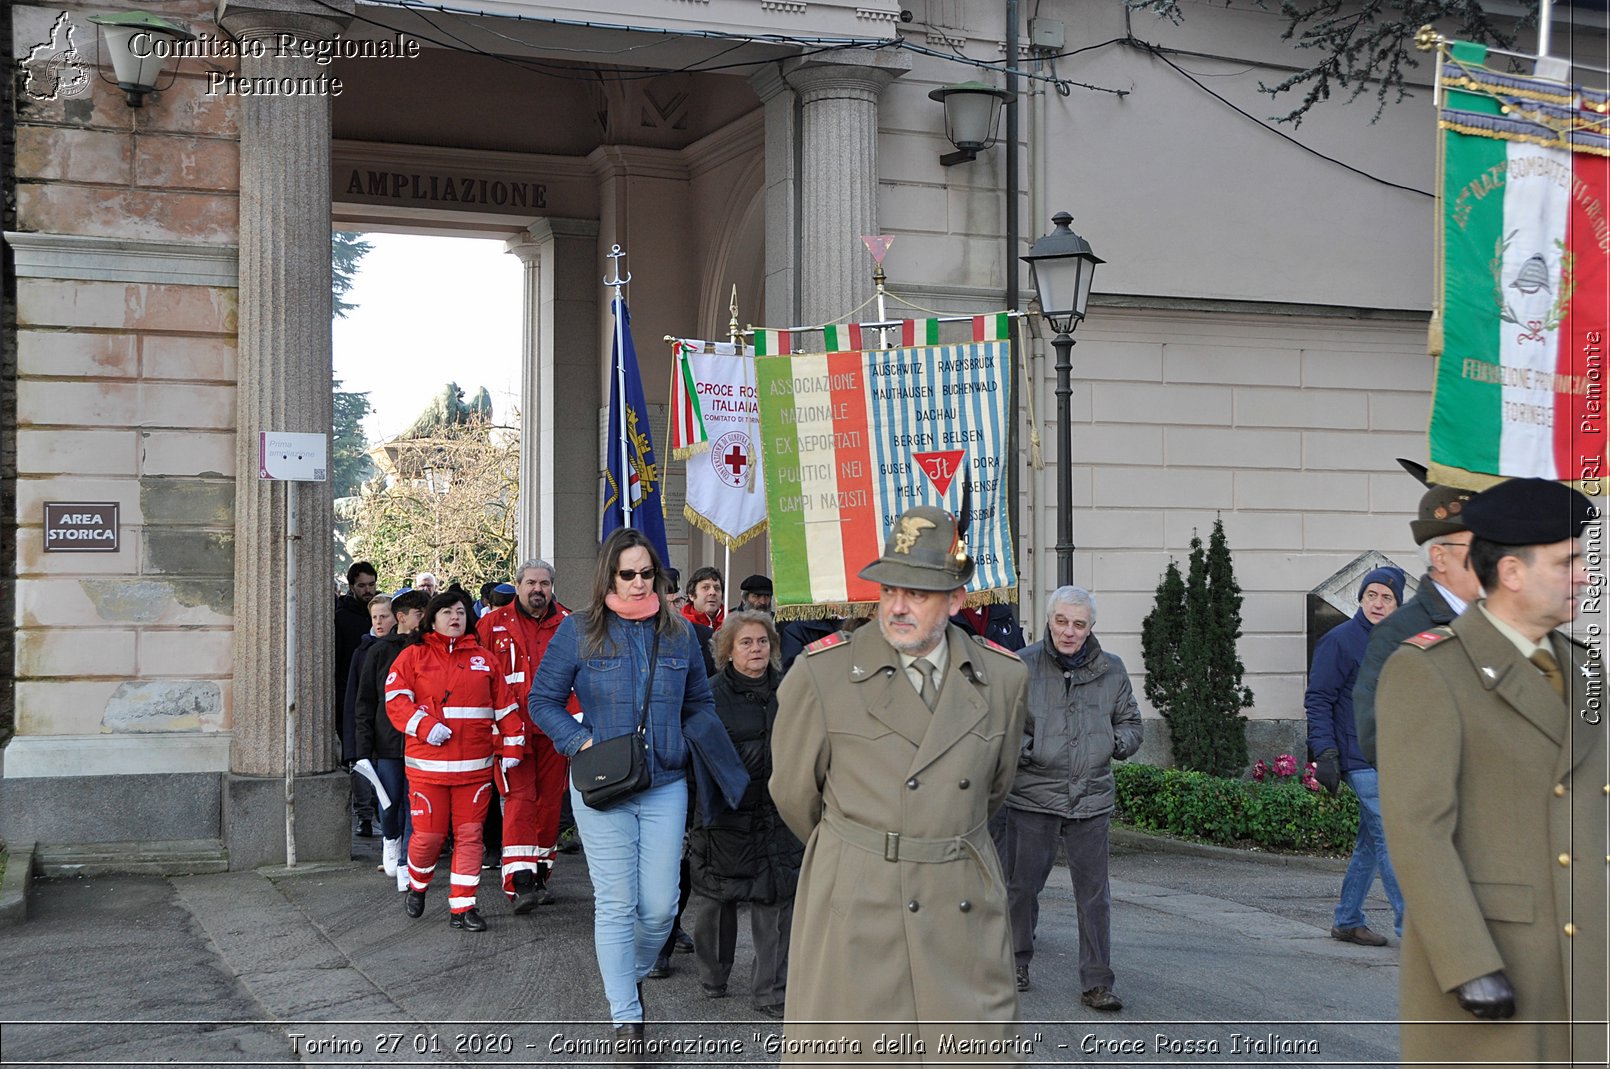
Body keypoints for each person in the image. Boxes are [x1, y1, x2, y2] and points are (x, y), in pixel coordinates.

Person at [770, 505, 1028, 1062]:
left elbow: (993, 786)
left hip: (958, 900)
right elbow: (794, 793)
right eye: (890, 589)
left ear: (956, 600)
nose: (898, 606)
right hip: (860, 900)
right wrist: (865, 847)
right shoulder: (823, 674)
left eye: (918, 593)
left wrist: (933, 831)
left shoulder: (1004, 678)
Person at [1378, 477, 1606, 1068]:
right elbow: (1418, 831)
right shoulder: (1430, 670)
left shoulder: (1586, 671)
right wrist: (1468, 963)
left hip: (1588, 960)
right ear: (1511, 572)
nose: (1586, 574)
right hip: (1502, 960)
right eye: (1570, 561)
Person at [528, 529, 747, 1056]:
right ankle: (626, 1013)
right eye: (627, 573)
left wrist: (696, 738)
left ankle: (635, 970)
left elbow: (699, 701)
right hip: (602, 784)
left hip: (666, 781)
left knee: (661, 906)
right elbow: (543, 701)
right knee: (615, 903)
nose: (637, 582)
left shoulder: (678, 634)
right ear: (609, 574)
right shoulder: (578, 631)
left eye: (646, 573)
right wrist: (580, 742)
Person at [1003, 587, 1142, 1009]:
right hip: (1031, 798)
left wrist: (1111, 743)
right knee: (1021, 888)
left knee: (1094, 897)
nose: (1069, 631)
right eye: (1062, 621)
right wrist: (1031, 749)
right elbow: (1001, 724)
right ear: (1049, 620)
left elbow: (1133, 724)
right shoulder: (1022, 665)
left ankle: (1097, 982)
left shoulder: (1112, 669)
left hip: (1092, 800)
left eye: (1079, 624)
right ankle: (1014, 960)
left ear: (1090, 627)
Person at [686, 610, 802, 1018]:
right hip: (726, 814)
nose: (756, 649)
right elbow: (697, 759)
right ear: (727, 651)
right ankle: (714, 977)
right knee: (720, 899)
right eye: (746, 642)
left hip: (778, 813)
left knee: (776, 902)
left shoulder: (789, 691)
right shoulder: (710, 695)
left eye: (762, 642)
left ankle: (771, 991)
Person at [385, 592, 523, 932]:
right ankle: (418, 884)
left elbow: (505, 708)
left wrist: (513, 748)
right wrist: (424, 726)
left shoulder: (485, 660)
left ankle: (463, 907)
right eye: (447, 611)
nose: (455, 617)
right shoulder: (412, 656)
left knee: (470, 837)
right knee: (428, 839)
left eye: (461, 611)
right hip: (427, 771)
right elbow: (396, 701)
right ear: (432, 619)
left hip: (474, 771)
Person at [1307, 565, 1406, 947]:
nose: (1378, 604)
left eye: (1387, 597)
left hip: (1391, 757)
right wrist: (1326, 753)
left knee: (1370, 839)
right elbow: (1319, 699)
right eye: (1371, 595)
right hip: (1357, 756)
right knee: (1393, 836)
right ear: (1360, 598)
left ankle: (1348, 919)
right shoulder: (1340, 641)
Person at [1352, 466, 1478, 765]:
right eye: (1478, 545)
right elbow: (1377, 738)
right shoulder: (1397, 632)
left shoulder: (1496, 623)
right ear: (1440, 557)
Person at [476, 559, 580, 911]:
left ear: (553, 587)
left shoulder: (570, 624)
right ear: (518, 585)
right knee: (519, 803)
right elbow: (481, 680)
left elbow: (581, 677)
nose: (538, 589)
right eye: (531, 583)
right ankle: (519, 881)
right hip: (511, 732)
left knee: (550, 805)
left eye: (545, 583)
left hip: (555, 731)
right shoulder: (491, 624)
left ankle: (539, 876)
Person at [355, 589, 427, 885]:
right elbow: (365, 702)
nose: (427, 619)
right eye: (421, 614)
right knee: (390, 800)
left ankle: (407, 863)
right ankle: (392, 842)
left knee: (416, 803)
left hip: (421, 742)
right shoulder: (379, 651)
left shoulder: (429, 648)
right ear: (403, 617)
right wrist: (363, 747)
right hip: (387, 743)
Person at [336, 561, 380, 836]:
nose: (367, 590)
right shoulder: (342, 617)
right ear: (352, 586)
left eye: (371, 584)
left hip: (379, 697)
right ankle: (364, 814)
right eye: (362, 585)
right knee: (359, 757)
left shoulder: (381, 613)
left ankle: (377, 811)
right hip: (351, 695)